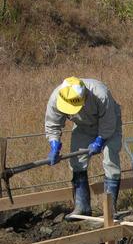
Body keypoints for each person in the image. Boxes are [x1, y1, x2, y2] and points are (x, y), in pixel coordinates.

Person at [45, 77, 122, 220]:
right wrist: (54, 145)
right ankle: (82, 208)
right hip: (82, 125)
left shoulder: (100, 94)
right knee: (77, 162)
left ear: (84, 95)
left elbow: (109, 123)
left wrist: (100, 141)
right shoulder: (57, 97)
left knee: (110, 161)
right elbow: (52, 124)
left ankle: (110, 210)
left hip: (109, 123)